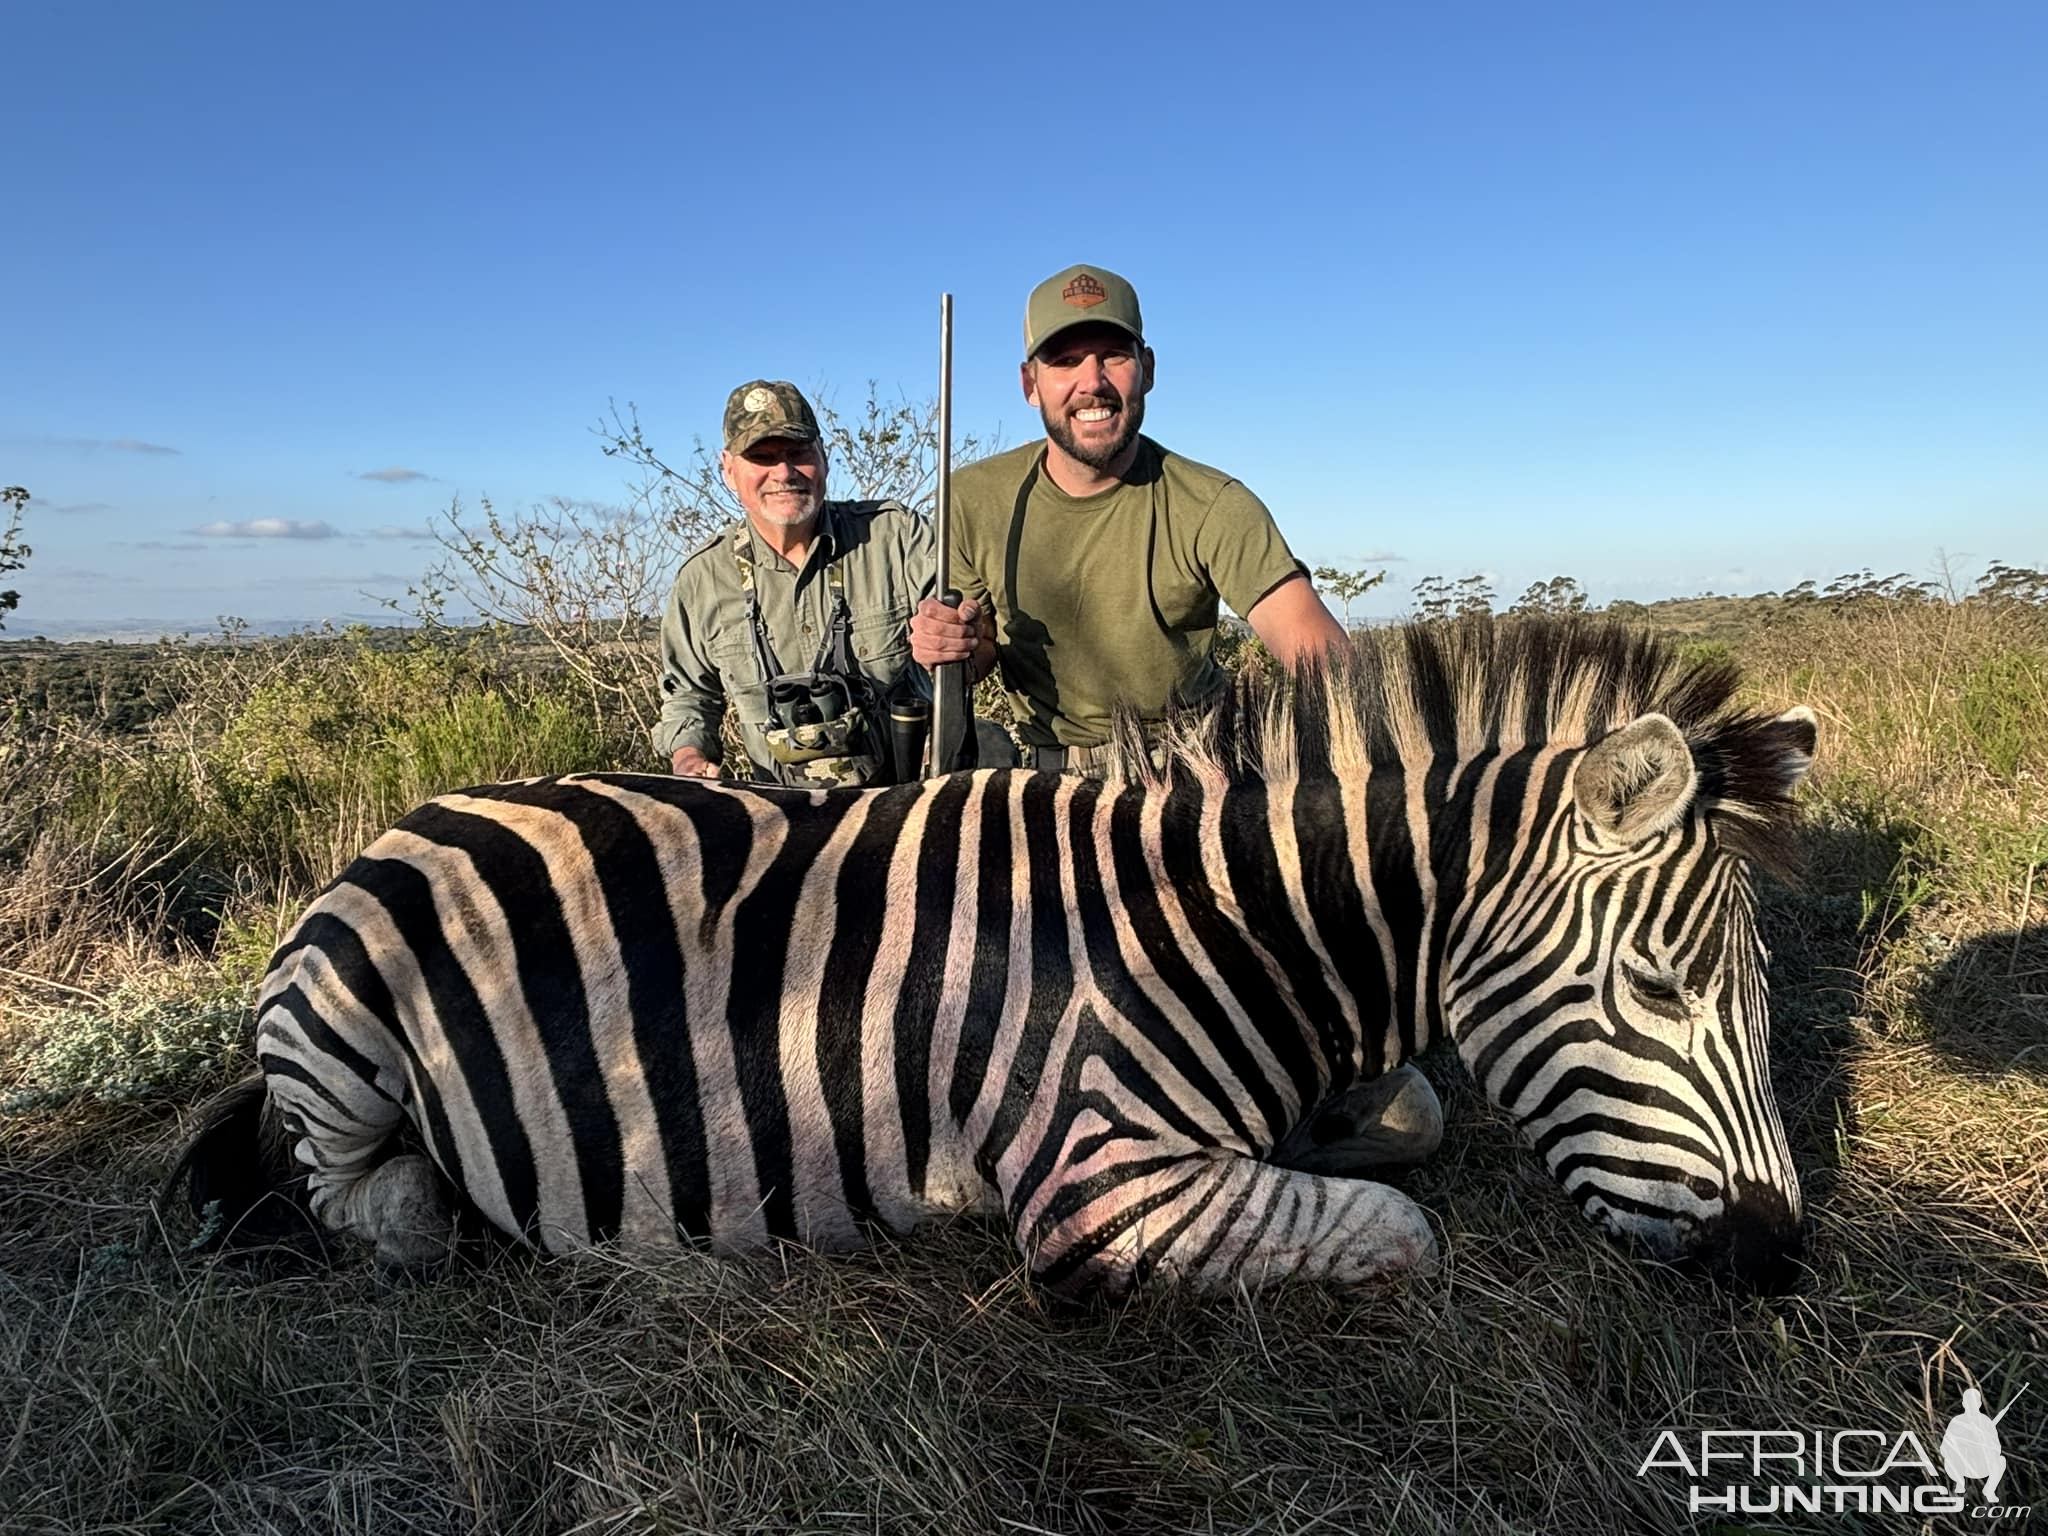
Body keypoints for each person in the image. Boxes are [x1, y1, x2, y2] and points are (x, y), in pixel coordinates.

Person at [908, 263, 1345, 773]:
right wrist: (950, 644)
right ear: (1030, 384)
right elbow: (977, 650)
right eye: (1065, 361)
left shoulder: (1214, 503)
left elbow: (1324, 661)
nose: (1092, 382)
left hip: (1194, 768)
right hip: (1052, 778)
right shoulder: (972, 498)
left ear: (1149, 369)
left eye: (1113, 356)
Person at [651, 380, 935, 786]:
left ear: (823, 456)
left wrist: (961, 633)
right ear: (729, 470)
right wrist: (690, 756)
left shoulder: (898, 538)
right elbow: (689, 697)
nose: (783, 473)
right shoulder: (702, 580)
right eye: (762, 458)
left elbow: (970, 621)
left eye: (798, 453)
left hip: (900, 802)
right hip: (779, 818)